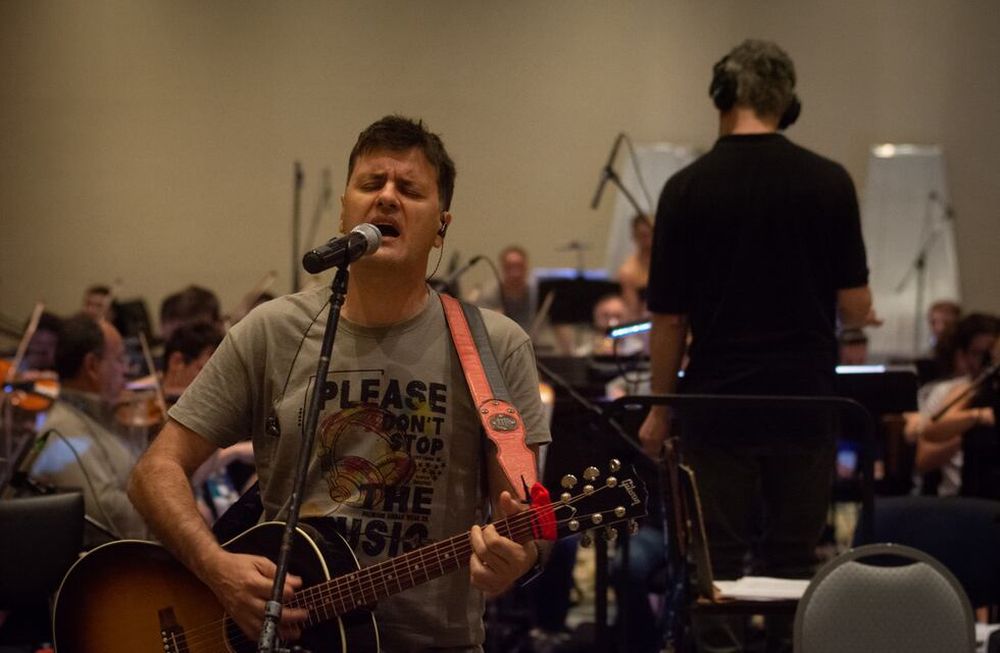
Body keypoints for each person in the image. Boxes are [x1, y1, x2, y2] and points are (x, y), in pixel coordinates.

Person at [128, 115, 551, 651]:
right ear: (345, 210)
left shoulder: (495, 345)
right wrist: (216, 568)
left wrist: (521, 555)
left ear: (441, 225)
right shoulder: (271, 331)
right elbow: (155, 470)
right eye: (372, 184)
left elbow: (525, 513)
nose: (387, 198)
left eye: (410, 189)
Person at [638, 40, 878, 652]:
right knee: (794, 562)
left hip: (717, 406)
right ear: (787, 104)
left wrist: (661, 408)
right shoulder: (829, 182)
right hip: (805, 404)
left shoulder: (686, 189)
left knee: (714, 567)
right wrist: (858, 312)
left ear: (722, 96)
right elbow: (855, 306)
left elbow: (668, 320)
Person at [30, 314, 152, 548]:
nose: (125, 370)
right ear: (92, 366)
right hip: (94, 575)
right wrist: (169, 508)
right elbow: (107, 516)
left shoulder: (103, 417)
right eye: (119, 360)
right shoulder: (61, 431)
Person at [907, 313, 999, 497]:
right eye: (978, 353)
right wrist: (972, 424)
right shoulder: (955, 391)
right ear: (962, 355)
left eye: (991, 352)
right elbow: (924, 455)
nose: (987, 361)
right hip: (957, 499)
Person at [475, 245, 537, 332]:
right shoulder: (489, 294)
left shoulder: (536, 294)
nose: (515, 273)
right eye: (510, 267)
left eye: (519, 267)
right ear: (502, 268)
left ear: (526, 267)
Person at [617, 213, 653, 320]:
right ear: (634, 236)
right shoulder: (628, 271)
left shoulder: (670, 265)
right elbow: (632, 311)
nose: (648, 240)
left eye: (651, 234)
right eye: (643, 235)